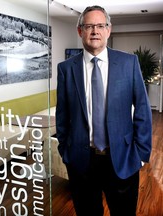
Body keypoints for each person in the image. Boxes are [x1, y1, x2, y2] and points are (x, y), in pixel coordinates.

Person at [55, 5, 152, 216]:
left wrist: (142, 154)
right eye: (89, 26)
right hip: (82, 161)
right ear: (80, 31)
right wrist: (65, 150)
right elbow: (62, 115)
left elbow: (143, 110)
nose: (95, 31)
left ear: (109, 30)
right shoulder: (66, 69)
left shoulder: (129, 63)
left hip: (122, 158)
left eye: (100, 25)